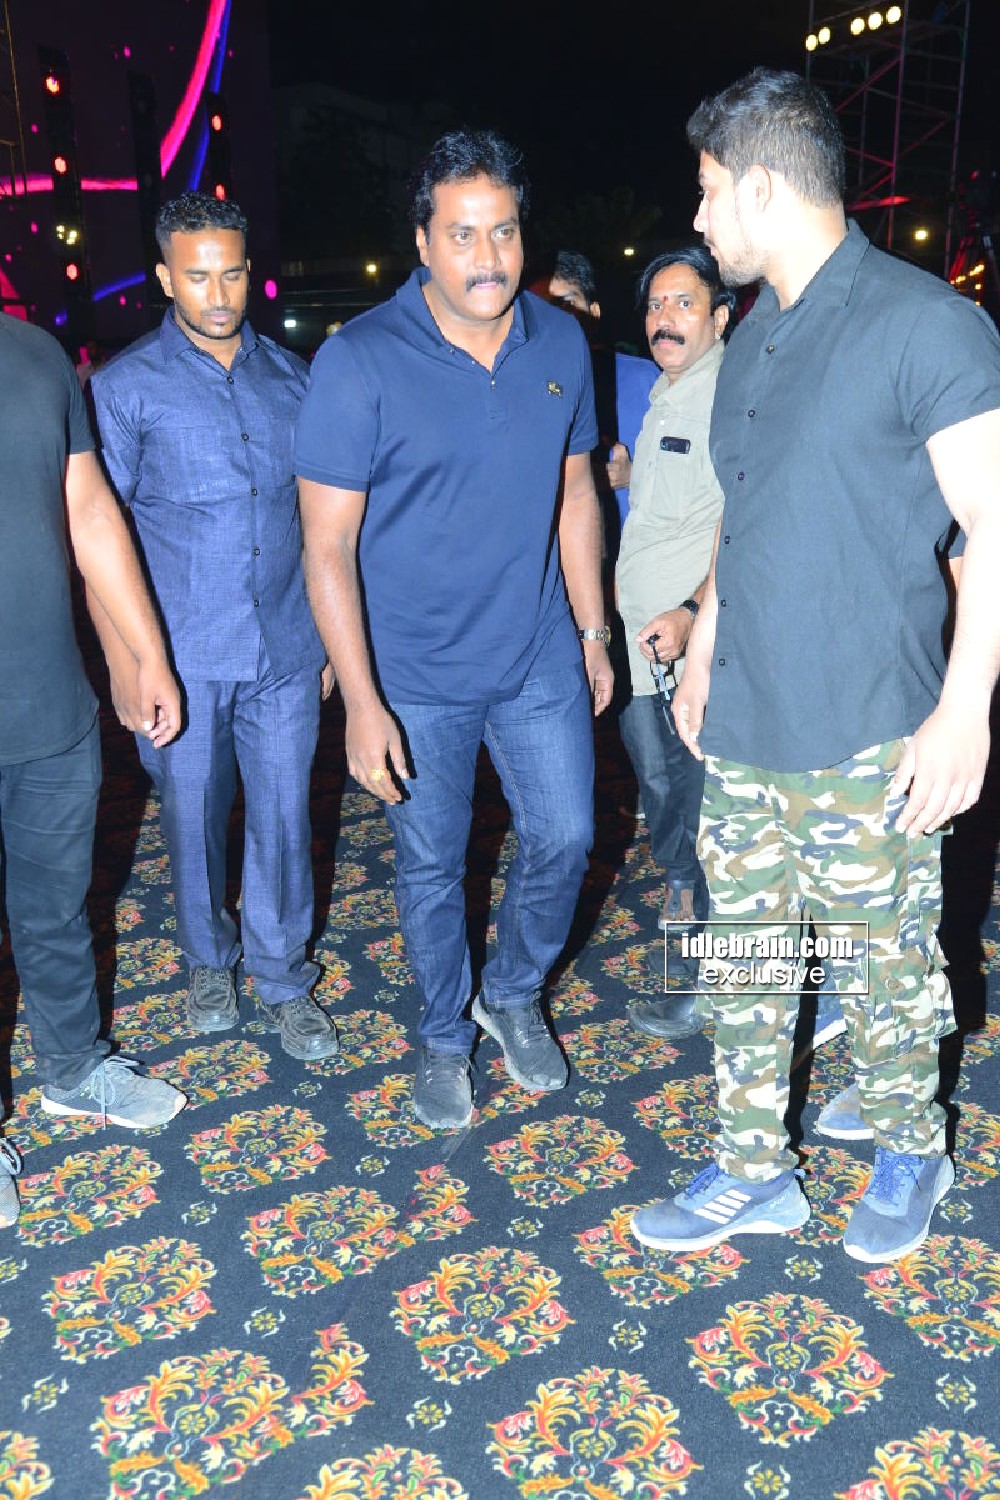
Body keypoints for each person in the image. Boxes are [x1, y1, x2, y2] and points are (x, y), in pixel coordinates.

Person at [631, 68, 1000, 1265]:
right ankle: (753, 1170)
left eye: (707, 192)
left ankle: (910, 1148)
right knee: (746, 964)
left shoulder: (924, 322)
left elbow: (992, 523)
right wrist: (706, 643)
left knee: (884, 967)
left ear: (760, 187)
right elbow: (746, 517)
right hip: (747, 719)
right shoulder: (750, 337)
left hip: (868, 725)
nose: (698, 219)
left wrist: (964, 711)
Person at [295, 129, 613, 1129]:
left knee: (566, 836)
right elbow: (326, 546)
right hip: (414, 675)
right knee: (433, 866)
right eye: (463, 234)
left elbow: (575, 494)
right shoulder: (358, 361)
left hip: (536, 653)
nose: (488, 257)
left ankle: (509, 993)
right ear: (423, 242)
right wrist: (360, 700)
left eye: (504, 232)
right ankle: (442, 1035)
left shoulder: (560, 340)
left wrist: (593, 630)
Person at [90, 192, 338, 1063]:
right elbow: (98, 537)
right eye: (197, 277)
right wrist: (125, 663)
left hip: (287, 646)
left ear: (249, 271)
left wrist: (329, 642)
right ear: (166, 278)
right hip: (183, 656)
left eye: (231, 273)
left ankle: (282, 973)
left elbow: (321, 524)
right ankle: (207, 958)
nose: (219, 293)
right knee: (192, 816)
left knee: (284, 816)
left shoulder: (294, 379)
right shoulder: (123, 388)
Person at [1, 311, 188, 1226]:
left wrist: (144, 652)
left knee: (56, 907)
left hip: (47, 704)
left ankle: (73, 1067)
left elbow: (89, 512)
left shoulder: (32, 352)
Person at [613, 246, 732, 1037]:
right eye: (657, 304)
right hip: (641, 648)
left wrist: (693, 611)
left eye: (684, 303)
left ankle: (709, 980)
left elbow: (740, 519)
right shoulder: (667, 393)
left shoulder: (728, 395)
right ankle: (693, 946)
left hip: (691, 650)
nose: (665, 319)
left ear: (720, 317)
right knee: (667, 804)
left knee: (701, 813)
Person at [541, 250, 657, 530]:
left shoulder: (644, 378)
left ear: (594, 312)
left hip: (634, 547)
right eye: (545, 308)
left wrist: (635, 476)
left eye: (568, 303)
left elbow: (691, 471)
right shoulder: (522, 389)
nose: (557, 318)